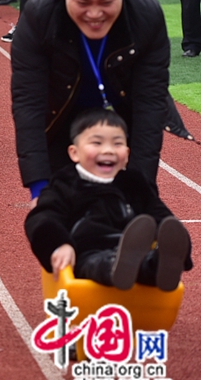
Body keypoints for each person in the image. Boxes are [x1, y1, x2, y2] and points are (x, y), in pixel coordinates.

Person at [11, 0, 174, 205]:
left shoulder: (146, 16)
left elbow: (149, 104)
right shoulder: (39, 17)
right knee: (59, 212)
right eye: (83, 2)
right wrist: (39, 188)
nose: (95, 13)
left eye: (106, 0)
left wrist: (142, 184)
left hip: (125, 115)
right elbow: (29, 102)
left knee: (134, 206)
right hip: (61, 113)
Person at [24, 109, 192, 292]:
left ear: (127, 153)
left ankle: (161, 266)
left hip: (134, 251)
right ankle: (118, 266)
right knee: (97, 263)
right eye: (97, 142)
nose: (108, 150)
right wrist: (59, 245)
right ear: (74, 153)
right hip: (87, 254)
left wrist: (178, 243)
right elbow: (43, 217)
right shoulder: (65, 183)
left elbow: (161, 215)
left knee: (148, 263)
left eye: (117, 143)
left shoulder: (133, 183)